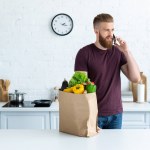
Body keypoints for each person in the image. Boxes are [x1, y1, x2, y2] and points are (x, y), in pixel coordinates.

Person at [74, 13, 140, 129]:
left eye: (112, 30)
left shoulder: (117, 52)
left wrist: (126, 52)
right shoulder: (84, 53)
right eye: (106, 30)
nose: (111, 34)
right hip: (93, 114)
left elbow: (136, 78)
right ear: (96, 31)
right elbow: (80, 86)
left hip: (116, 114)